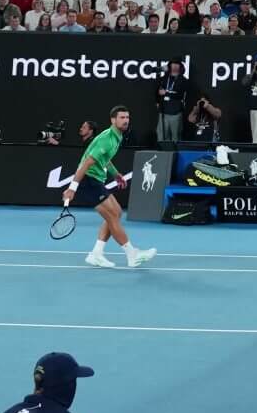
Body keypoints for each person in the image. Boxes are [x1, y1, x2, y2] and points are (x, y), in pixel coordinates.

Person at [61, 106, 153, 270]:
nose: (126, 120)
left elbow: (105, 159)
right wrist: (72, 188)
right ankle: (132, 254)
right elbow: (86, 163)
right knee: (112, 216)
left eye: (127, 117)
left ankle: (96, 254)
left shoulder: (117, 136)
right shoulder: (106, 138)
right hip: (88, 180)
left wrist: (115, 174)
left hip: (96, 179)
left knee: (116, 213)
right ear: (113, 120)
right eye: (122, 117)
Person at [154, 62, 187, 143]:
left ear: (180, 67)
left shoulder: (183, 80)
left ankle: (175, 154)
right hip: (163, 111)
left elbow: (180, 94)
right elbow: (157, 90)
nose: (175, 66)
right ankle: (163, 154)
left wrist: (166, 93)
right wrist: (157, 101)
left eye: (177, 64)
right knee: (161, 136)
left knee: (175, 137)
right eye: (173, 64)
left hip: (175, 112)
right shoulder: (164, 79)